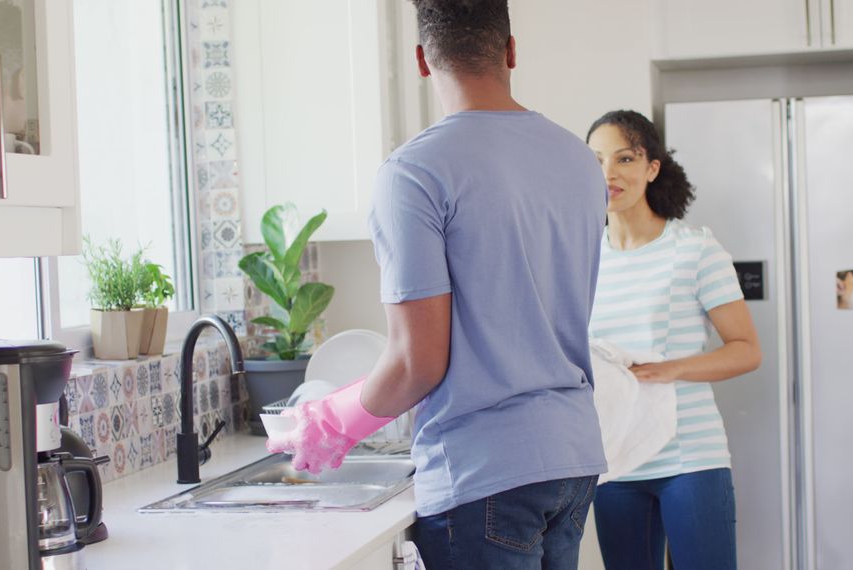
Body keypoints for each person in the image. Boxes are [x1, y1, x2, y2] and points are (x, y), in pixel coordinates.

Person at [266, 1, 610, 567]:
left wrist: (333, 421)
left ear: (423, 61)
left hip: (485, 471)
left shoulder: (416, 171)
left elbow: (416, 362)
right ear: (511, 50)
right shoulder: (579, 160)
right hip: (572, 457)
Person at [584, 110, 762, 570]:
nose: (609, 173)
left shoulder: (695, 249)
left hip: (691, 457)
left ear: (651, 167)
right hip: (616, 459)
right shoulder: (582, 258)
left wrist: (672, 368)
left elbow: (746, 349)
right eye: (597, 160)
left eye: (624, 158)